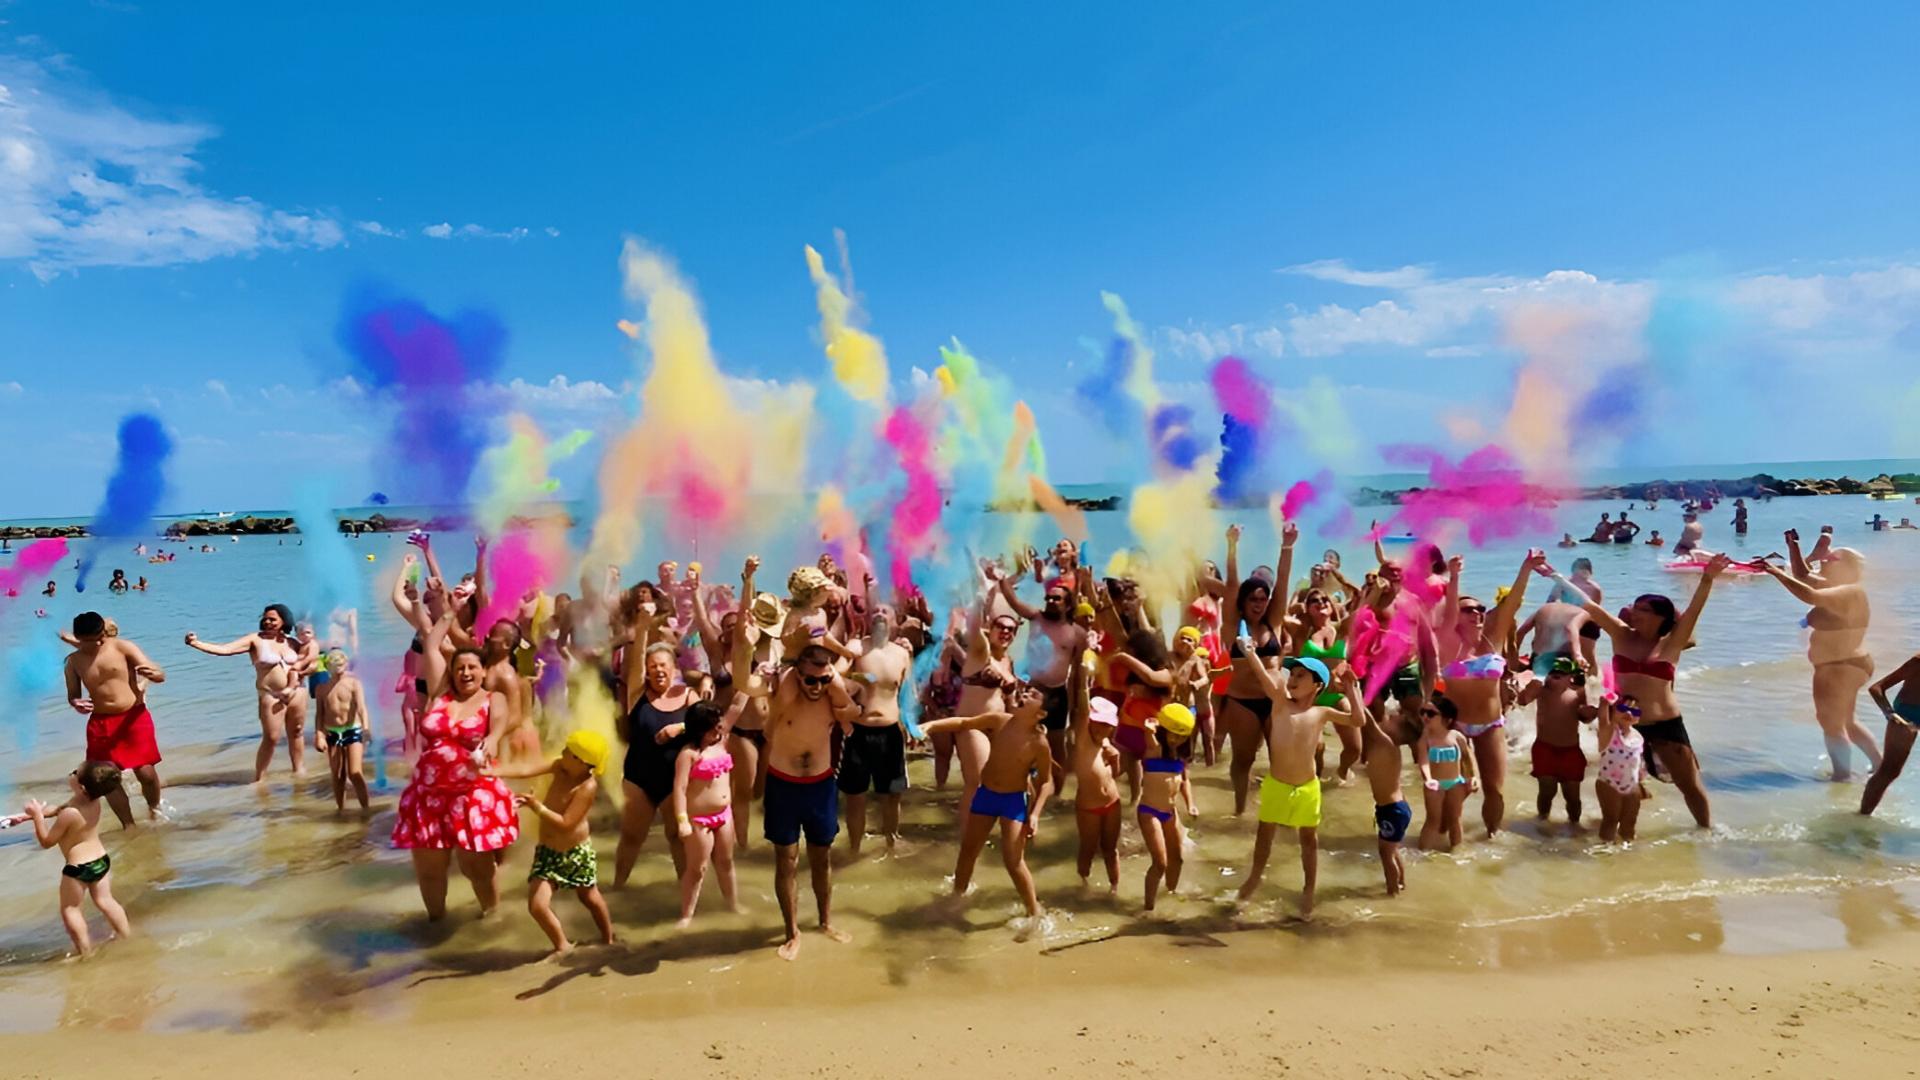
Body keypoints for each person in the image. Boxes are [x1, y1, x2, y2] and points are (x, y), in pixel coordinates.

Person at [1548, 555, 1730, 828]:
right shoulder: (1622, 634)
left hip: (1665, 726)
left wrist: (1707, 577)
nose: (1633, 611)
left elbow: (1693, 611)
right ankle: (1619, 829)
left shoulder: (1671, 643)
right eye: (1635, 606)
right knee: (1617, 781)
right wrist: (1554, 576)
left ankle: (1707, 831)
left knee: (1689, 784)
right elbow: (1591, 606)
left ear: (1660, 618)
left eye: (1642, 609)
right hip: (1624, 724)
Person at [389, 612, 519, 919]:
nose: (465, 673)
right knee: (430, 872)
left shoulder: (493, 698)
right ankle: (436, 925)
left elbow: (500, 723)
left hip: (471, 796)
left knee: (477, 870)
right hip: (428, 797)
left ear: (483, 671)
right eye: (460, 668)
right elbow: (432, 645)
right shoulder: (439, 696)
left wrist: (493, 738)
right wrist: (447, 611)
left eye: (472, 667)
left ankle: (492, 917)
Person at [1234, 654, 1365, 919]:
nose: (1292, 679)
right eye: (1291, 674)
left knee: (1309, 841)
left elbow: (1357, 720)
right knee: (1264, 835)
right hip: (1277, 784)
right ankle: (1254, 879)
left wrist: (1352, 689)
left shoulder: (1321, 713)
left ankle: (1308, 889)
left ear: (1318, 685)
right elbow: (1264, 677)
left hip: (1307, 787)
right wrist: (1249, 654)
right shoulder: (1281, 703)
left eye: (1300, 676)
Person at [1434, 551, 1546, 837]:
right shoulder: (1448, 643)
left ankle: (1490, 839)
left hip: (1491, 725)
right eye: (1468, 609)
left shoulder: (1493, 639)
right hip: (1454, 726)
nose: (1476, 612)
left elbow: (1512, 603)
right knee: (1455, 790)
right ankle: (1448, 840)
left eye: (1480, 608)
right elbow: (1447, 610)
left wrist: (1526, 568)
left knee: (1494, 791)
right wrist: (1455, 576)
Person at [920, 686, 1055, 921]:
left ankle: (1034, 912)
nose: (1023, 695)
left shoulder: (1039, 744)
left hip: (1013, 802)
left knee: (1013, 861)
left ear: (1040, 714)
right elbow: (964, 723)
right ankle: (957, 896)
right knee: (968, 850)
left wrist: (1034, 814)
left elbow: (1046, 782)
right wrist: (930, 726)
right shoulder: (1000, 720)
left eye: (1033, 696)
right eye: (1026, 692)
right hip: (986, 795)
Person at [764, 643, 860, 960]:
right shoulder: (785, 692)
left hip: (820, 785)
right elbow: (761, 702)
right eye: (810, 680)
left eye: (822, 680)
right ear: (798, 674)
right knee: (786, 860)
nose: (816, 687)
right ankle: (792, 931)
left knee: (822, 859)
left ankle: (825, 921)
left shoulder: (831, 694)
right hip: (783, 784)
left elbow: (854, 712)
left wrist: (835, 681)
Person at [1763, 534, 1880, 781]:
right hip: (1846, 664)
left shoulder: (1850, 591)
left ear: (1847, 567)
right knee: (1845, 720)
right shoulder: (1837, 588)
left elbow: (1810, 596)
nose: (1824, 562)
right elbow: (1803, 577)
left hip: (1840, 665)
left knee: (1830, 723)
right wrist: (1793, 547)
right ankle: (1880, 764)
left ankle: (1842, 776)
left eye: (1831, 559)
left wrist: (1775, 572)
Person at [491, 730, 616, 954]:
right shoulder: (560, 766)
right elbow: (526, 769)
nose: (563, 752)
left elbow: (566, 823)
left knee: (589, 897)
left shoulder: (587, 786)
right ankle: (563, 946)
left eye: (568, 751)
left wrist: (536, 807)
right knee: (537, 906)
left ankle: (609, 939)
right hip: (548, 852)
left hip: (576, 853)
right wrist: (490, 771)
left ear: (581, 761)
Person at [9, 762, 133, 956]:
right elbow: (58, 809)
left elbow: (47, 841)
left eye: (75, 773)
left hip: (78, 870)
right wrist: (29, 816)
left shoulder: (70, 813)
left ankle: (85, 953)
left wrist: (37, 817)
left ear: (81, 787)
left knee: (71, 910)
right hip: (101, 861)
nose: (71, 773)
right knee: (106, 901)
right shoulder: (92, 801)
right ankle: (126, 937)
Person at [1219, 522, 1298, 815]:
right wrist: (1231, 547)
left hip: (1276, 702)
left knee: (1283, 759)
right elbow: (1230, 586)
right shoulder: (1231, 627)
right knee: (1243, 760)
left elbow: (1284, 581)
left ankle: (1281, 810)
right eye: (1253, 599)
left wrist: (1287, 545)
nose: (1259, 604)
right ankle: (1240, 810)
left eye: (1263, 599)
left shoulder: (1272, 622)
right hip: (1243, 703)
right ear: (1243, 601)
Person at [184, 603, 309, 784]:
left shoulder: (293, 642)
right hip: (271, 695)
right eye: (265, 619)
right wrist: (196, 643)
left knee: (297, 732)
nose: (267, 622)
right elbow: (226, 650)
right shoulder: (255, 640)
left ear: (284, 621)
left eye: (272, 619)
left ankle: (299, 771)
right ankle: (260, 779)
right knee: (271, 738)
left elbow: (312, 659)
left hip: (297, 693)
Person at [63, 611, 166, 825]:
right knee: (105, 778)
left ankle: (155, 810)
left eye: (100, 637)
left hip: (133, 718)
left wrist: (155, 674)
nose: (99, 642)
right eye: (91, 640)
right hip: (101, 723)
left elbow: (158, 672)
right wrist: (75, 703)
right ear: (79, 638)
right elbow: (73, 694)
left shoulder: (122, 647)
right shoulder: (73, 661)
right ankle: (128, 825)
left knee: (146, 772)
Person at [996, 568, 1090, 800]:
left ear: (1068, 605)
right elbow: (1013, 600)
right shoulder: (1036, 617)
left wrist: (1077, 704)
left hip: (1057, 695)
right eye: (1048, 597)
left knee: (1056, 747)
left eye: (1056, 598)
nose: (1049, 601)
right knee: (1021, 742)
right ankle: (1021, 792)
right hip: (1030, 691)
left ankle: (1056, 796)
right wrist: (1000, 577)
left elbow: (1077, 671)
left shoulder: (1078, 634)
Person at [614, 642, 695, 886]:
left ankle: (686, 895)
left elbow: (711, 725)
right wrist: (642, 627)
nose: (658, 670)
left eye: (663, 665)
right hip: (639, 778)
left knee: (677, 837)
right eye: (653, 666)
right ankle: (617, 888)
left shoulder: (688, 695)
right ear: (646, 671)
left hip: (675, 782)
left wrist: (679, 728)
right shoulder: (637, 693)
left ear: (674, 668)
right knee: (631, 836)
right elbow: (635, 661)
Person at [841, 604, 913, 857]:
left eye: (886, 611)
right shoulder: (857, 648)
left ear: (895, 621)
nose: (880, 613)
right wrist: (859, 681)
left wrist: (910, 726)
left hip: (890, 732)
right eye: (876, 611)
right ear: (869, 620)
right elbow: (837, 678)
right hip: (858, 731)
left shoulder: (902, 654)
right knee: (855, 796)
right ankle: (854, 849)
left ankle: (892, 842)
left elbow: (906, 693)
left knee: (892, 795)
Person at [671, 701, 742, 926]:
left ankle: (733, 905)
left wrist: (758, 674)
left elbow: (737, 706)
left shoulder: (723, 742)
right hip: (698, 820)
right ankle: (686, 915)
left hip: (724, 815)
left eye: (719, 726)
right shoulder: (688, 754)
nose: (718, 730)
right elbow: (680, 789)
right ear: (701, 729)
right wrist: (682, 820)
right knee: (697, 868)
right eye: (714, 728)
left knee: (726, 861)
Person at [1518, 657, 1597, 827]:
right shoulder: (1542, 690)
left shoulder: (1579, 691)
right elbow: (1522, 700)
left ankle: (1574, 826)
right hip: (1544, 749)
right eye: (1552, 670)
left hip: (1570, 751)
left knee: (1573, 796)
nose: (1556, 673)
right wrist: (1533, 682)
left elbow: (1585, 718)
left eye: (1561, 671)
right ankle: (1542, 821)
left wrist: (1590, 713)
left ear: (1571, 676)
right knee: (1547, 791)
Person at [1136, 703, 1196, 912]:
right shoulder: (1155, 749)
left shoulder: (1180, 756)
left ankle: (1170, 892)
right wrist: (1148, 729)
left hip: (1170, 812)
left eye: (1181, 737)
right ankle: (1148, 908)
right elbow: (1149, 738)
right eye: (1173, 735)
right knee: (1160, 863)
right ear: (1164, 731)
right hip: (1149, 812)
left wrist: (1191, 805)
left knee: (1177, 859)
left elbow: (1185, 781)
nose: (1177, 740)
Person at [1073, 675, 1124, 895]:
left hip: (1112, 802)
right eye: (1097, 724)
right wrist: (1084, 681)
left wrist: (1116, 758)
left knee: (1110, 849)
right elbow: (1083, 710)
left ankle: (1114, 888)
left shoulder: (1105, 744)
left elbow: (1115, 774)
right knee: (1088, 847)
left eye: (1106, 725)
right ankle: (1084, 884)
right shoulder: (1083, 741)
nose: (1100, 729)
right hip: (1088, 807)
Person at [1415, 694, 1478, 850]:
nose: (1425, 716)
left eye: (1431, 713)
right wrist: (1428, 778)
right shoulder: (1425, 739)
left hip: (1455, 783)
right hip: (1434, 785)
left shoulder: (1457, 737)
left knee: (1455, 820)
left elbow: (1468, 758)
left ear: (1447, 718)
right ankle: (1422, 853)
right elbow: (1423, 761)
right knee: (1432, 821)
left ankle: (1457, 853)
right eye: (1423, 712)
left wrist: (1473, 777)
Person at [312, 647, 370, 812]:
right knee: (338, 775)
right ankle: (341, 810)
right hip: (332, 732)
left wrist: (366, 729)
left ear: (346, 663)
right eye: (333, 663)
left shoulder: (354, 683)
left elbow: (361, 708)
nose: (337, 666)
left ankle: (365, 809)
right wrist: (319, 735)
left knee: (354, 772)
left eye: (340, 662)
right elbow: (320, 715)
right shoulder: (321, 689)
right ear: (327, 666)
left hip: (353, 729)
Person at [1864, 654, 1920, 815]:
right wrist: (1890, 714)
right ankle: (1862, 816)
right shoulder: (1917, 662)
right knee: (1890, 771)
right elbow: (1876, 688)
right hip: (1906, 715)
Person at [1594, 694, 1646, 842]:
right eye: (1623, 708)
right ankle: (1605, 848)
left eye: (1635, 712)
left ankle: (1627, 852)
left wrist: (1642, 780)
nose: (1629, 713)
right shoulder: (1609, 732)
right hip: (1608, 784)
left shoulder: (1638, 737)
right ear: (1613, 711)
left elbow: (1638, 761)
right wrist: (1604, 703)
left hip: (1631, 785)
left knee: (1629, 822)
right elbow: (1603, 720)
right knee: (1611, 819)